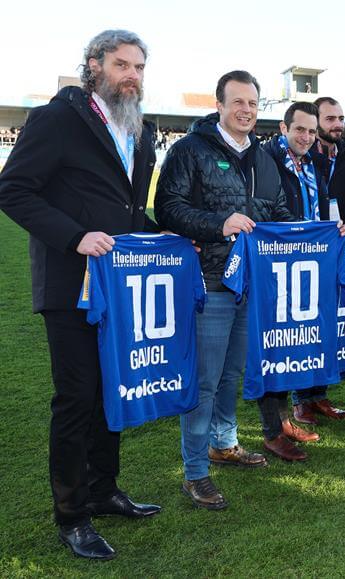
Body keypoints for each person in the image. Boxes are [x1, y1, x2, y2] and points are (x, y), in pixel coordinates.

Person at [0, 29, 161, 560]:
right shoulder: (57, 118)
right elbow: (14, 190)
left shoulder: (142, 129)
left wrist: (169, 234)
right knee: (76, 398)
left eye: (138, 66)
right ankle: (72, 517)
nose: (132, 74)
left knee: (112, 389)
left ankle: (104, 489)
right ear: (94, 65)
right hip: (70, 286)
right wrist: (75, 236)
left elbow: (131, 211)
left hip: (121, 286)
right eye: (121, 64)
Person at [156, 71, 301, 508]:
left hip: (250, 286)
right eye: (238, 102)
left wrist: (321, 233)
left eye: (253, 104)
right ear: (219, 105)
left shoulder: (265, 158)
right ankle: (195, 471)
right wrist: (218, 224)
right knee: (204, 380)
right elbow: (168, 207)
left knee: (232, 375)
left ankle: (224, 443)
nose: (246, 110)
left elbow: (278, 214)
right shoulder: (190, 150)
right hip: (209, 282)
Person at [260, 101, 345, 436]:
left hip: (312, 261)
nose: (307, 136)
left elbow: (322, 208)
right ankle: (275, 429)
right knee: (277, 343)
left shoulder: (316, 162)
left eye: (312, 131)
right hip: (279, 262)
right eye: (300, 129)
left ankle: (293, 413)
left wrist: (333, 227)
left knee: (301, 339)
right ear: (284, 128)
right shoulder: (266, 159)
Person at [291, 96, 345, 425]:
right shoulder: (302, 158)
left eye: (341, 118)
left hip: (335, 249)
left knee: (325, 325)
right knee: (301, 324)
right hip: (302, 253)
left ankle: (318, 395)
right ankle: (299, 400)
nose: (338, 124)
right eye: (331, 118)